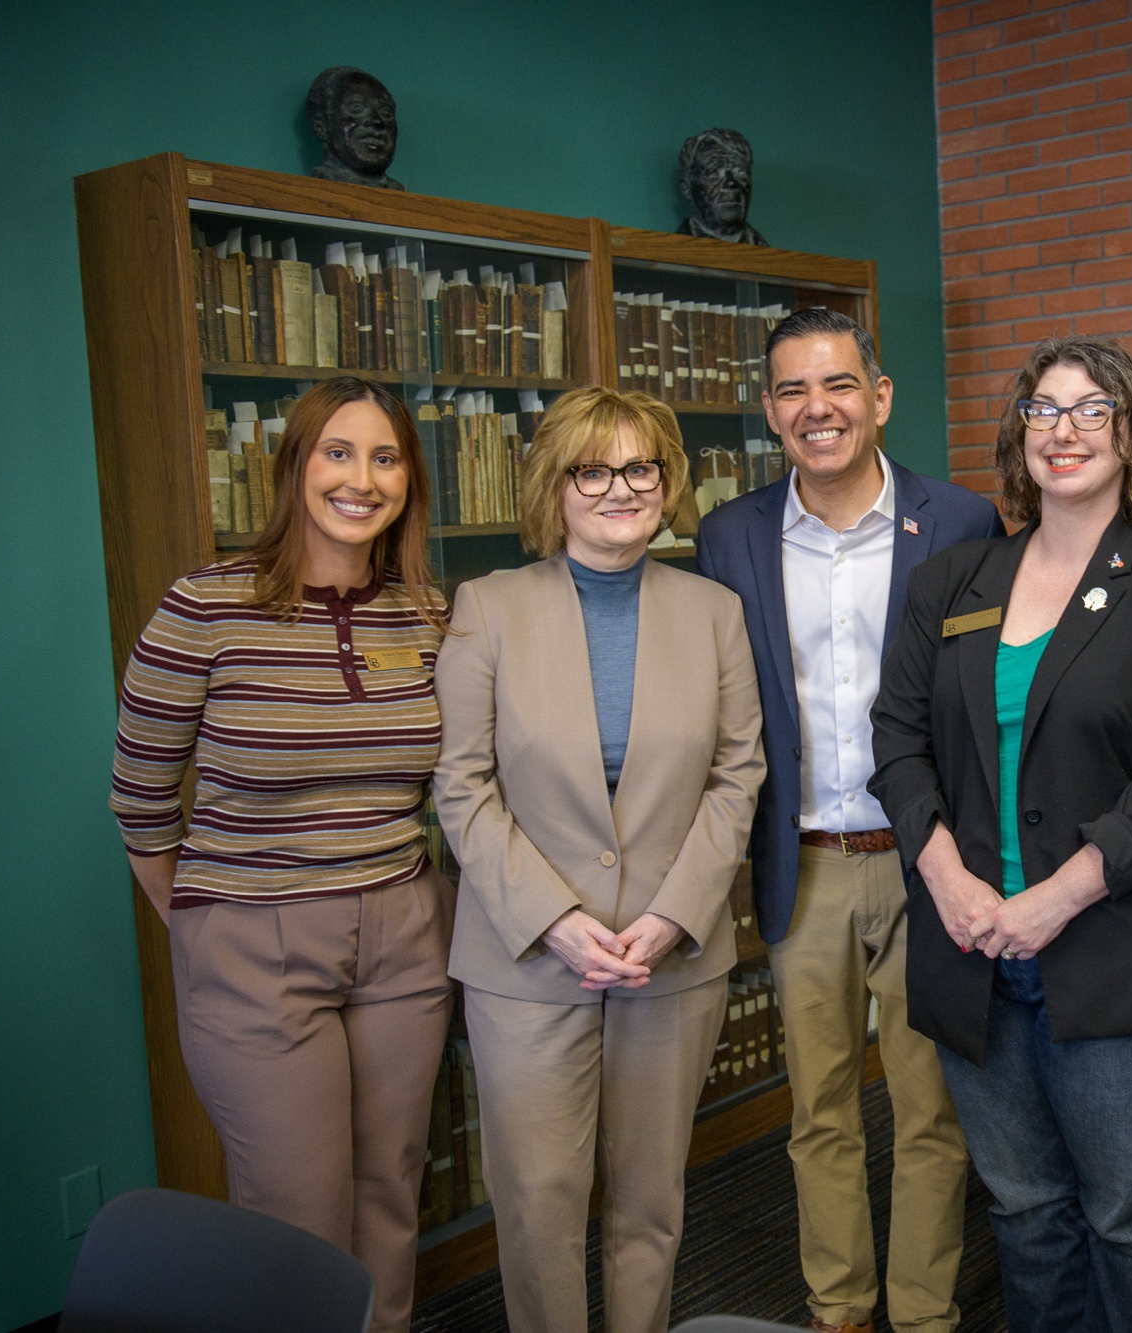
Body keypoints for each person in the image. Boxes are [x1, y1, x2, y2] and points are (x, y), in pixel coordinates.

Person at [870, 335, 1132, 1333]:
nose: (1063, 430)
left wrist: (1054, 899)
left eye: (1091, 410)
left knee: (1129, 1217)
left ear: (1131, 433)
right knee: (1025, 1210)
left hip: (1121, 951)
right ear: (1019, 432)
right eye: (1043, 409)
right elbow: (896, 739)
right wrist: (946, 879)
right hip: (972, 950)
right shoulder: (952, 581)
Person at [109, 377, 451, 1333]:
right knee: (298, 1211)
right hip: (253, 940)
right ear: (295, 465)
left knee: (391, 1188)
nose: (360, 479)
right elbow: (141, 803)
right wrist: (209, 923)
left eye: (385, 457)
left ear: (408, 481)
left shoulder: (426, 613)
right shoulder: (205, 606)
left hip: (403, 936)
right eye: (337, 452)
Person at [695, 306, 1002, 1333]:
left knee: (930, 1109)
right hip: (804, 864)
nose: (815, 408)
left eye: (836, 384)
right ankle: (839, 1309)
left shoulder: (961, 521)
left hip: (930, 861)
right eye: (791, 389)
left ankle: (921, 1313)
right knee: (818, 1110)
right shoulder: (729, 535)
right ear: (768, 409)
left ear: (879, 397)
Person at [433, 388, 764, 1333]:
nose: (621, 488)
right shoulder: (488, 608)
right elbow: (461, 783)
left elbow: (739, 773)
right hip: (528, 958)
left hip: (671, 954)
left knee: (651, 1198)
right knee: (538, 1201)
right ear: (556, 484)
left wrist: (672, 914)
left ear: (667, 483)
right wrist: (553, 919)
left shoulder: (714, 611)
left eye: (640, 468)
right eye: (593, 470)